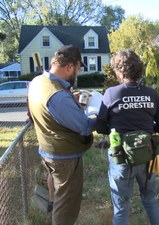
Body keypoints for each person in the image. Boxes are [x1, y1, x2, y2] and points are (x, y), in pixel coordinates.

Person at [95, 49, 159, 225]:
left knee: (121, 208)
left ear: (120, 72)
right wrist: (146, 129)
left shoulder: (112, 93)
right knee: (150, 201)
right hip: (147, 156)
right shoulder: (152, 93)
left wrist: (115, 127)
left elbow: (99, 126)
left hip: (121, 158)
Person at [28, 45, 96, 224]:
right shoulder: (58, 96)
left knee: (60, 198)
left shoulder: (38, 81)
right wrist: (101, 116)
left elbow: (47, 109)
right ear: (70, 67)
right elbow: (84, 126)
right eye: (78, 68)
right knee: (66, 206)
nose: (78, 73)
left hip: (48, 150)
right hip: (65, 158)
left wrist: (71, 101)